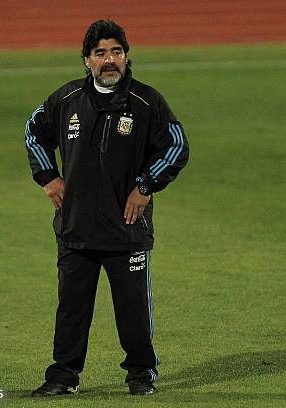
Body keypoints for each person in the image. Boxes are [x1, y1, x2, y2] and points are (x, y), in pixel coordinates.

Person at [24, 19, 189, 397]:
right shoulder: (65, 101)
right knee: (71, 310)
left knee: (132, 310)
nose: (109, 59)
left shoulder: (147, 102)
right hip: (76, 227)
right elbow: (33, 130)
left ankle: (141, 375)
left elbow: (177, 146)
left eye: (116, 51)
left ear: (127, 57)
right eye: (100, 53)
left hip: (127, 229)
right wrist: (48, 176)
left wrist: (145, 186)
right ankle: (63, 377)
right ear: (86, 60)